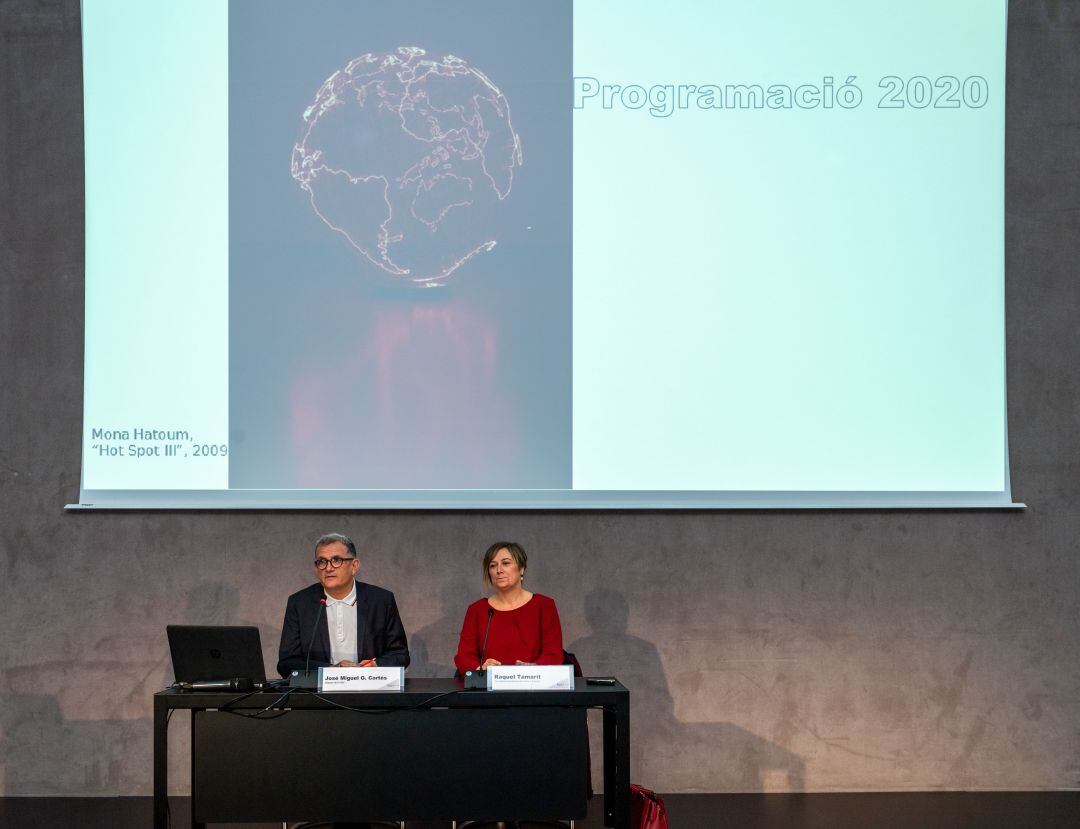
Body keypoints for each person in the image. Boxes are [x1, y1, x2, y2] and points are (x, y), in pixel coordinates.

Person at [277, 532, 410, 678]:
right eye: (322, 561)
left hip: (370, 691)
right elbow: (286, 663)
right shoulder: (300, 603)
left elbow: (400, 655)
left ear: (354, 566)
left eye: (336, 560)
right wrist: (331, 670)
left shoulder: (381, 600)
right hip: (318, 695)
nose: (328, 568)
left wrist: (373, 666)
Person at [454, 541, 563, 674]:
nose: (499, 570)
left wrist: (532, 669)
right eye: (493, 566)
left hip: (533, 687)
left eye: (506, 563)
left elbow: (553, 655)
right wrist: (481, 670)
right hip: (488, 690)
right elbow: (464, 656)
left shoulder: (544, 606)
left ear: (522, 568)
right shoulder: (477, 610)